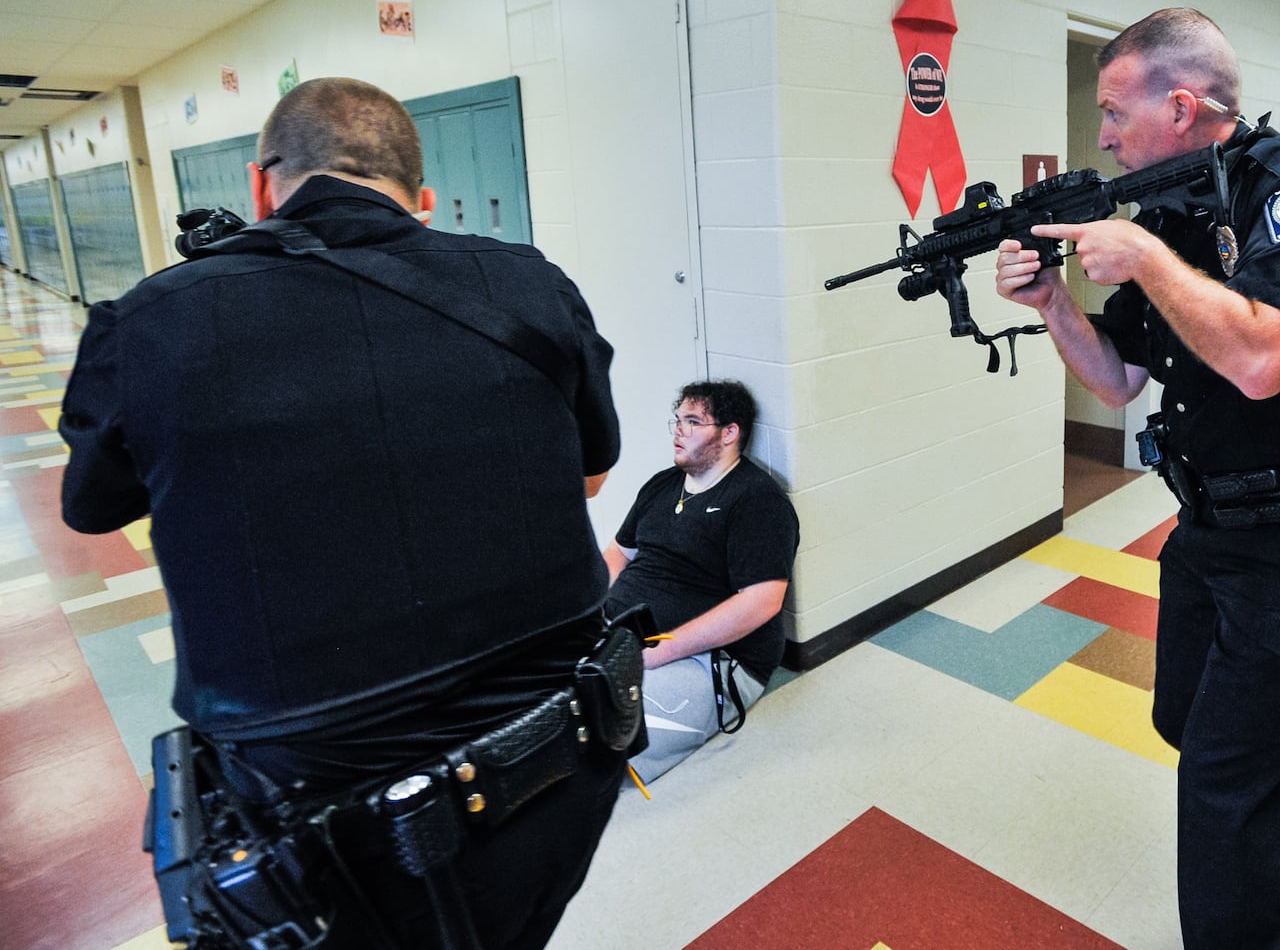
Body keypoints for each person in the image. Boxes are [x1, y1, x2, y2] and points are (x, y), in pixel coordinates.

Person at [59, 77, 631, 949]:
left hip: (311, 815)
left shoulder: (151, 322)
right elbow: (588, 478)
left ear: (261, 185)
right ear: (424, 200)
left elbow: (93, 508)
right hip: (548, 761)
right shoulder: (531, 285)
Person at [995, 10, 1280, 949]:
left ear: (1180, 106)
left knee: (1221, 787)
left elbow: (1262, 361)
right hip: (1208, 530)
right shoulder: (1173, 211)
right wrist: (1054, 300)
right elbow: (1115, 377)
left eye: (1110, 111)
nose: (1098, 136)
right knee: (1183, 715)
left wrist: (1140, 255)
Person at [603, 379, 800, 784]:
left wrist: (656, 654)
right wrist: (586, 611)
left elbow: (763, 600)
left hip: (711, 658)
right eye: (677, 421)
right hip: (621, 633)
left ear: (730, 433)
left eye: (693, 422)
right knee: (538, 693)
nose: (679, 430)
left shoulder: (757, 500)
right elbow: (618, 553)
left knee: (611, 735)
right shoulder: (661, 485)